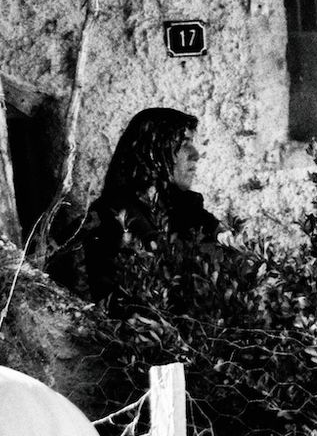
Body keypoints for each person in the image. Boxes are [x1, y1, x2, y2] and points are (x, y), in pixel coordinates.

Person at [73, 106, 222, 310]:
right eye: (184, 144)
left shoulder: (189, 210)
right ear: (153, 151)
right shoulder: (109, 216)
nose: (196, 155)